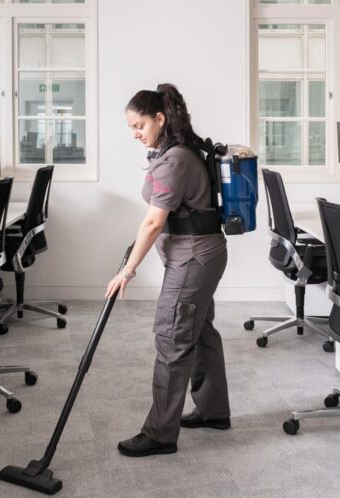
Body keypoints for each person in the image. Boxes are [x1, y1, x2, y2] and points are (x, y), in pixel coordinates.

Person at [105, 83, 231, 458]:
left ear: (160, 119)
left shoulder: (175, 160)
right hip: (200, 256)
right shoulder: (177, 152)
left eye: (140, 125)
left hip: (193, 259)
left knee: (172, 337)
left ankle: (160, 433)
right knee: (198, 331)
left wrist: (127, 271)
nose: (135, 134)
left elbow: (153, 223)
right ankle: (212, 411)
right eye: (130, 128)